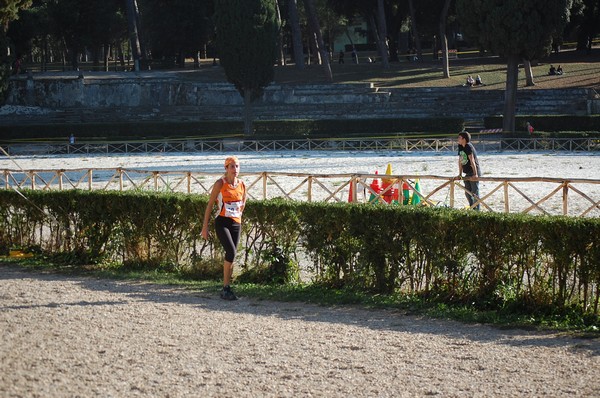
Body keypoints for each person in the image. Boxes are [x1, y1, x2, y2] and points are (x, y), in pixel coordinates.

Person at [201, 156, 247, 300]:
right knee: (231, 251)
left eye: (237, 166)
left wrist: (238, 215)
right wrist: (205, 227)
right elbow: (209, 205)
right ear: (226, 169)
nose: (235, 169)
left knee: (231, 256)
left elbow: (243, 202)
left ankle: (227, 287)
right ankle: (226, 288)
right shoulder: (220, 184)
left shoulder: (242, 184)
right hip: (222, 222)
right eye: (232, 166)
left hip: (236, 223)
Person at [457, 131, 482, 210]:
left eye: (459, 138)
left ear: (464, 139)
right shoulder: (460, 146)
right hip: (467, 172)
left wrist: (475, 174)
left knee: (475, 192)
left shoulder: (468, 146)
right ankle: (472, 207)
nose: (458, 139)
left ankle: (476, 210)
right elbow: (460, 161)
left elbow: (472, 160)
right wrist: (460, 174)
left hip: (473, 171)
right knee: (467, 192)